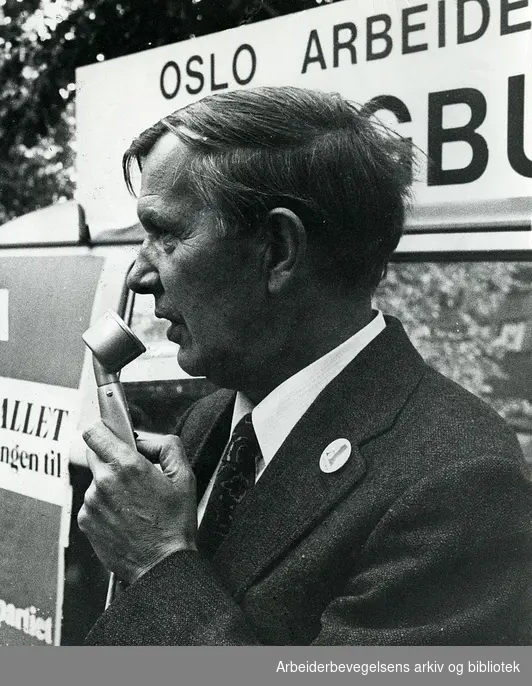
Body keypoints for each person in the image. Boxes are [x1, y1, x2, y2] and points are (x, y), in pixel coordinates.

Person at [77, 86, 532, 645]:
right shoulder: (209, 420)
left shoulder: (456, 483)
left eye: (167, 236)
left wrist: (157, 565)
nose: (138, 276)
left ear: (279, 250)